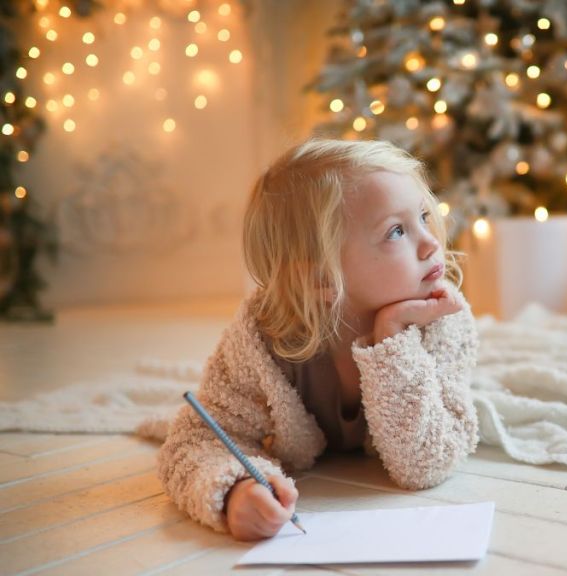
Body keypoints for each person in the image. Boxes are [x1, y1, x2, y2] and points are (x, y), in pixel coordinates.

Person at [157, 138, 479, 541]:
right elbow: (193, 442)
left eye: (424, 216)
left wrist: (392, 335)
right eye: (396, 230)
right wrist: (235, 491)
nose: (431, 243)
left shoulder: (441, 321)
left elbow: (427, 463)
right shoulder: (262, 341)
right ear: (322, 278)